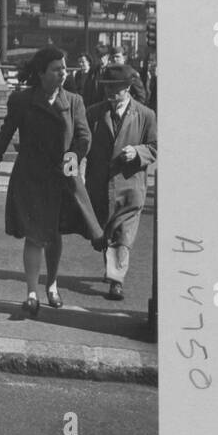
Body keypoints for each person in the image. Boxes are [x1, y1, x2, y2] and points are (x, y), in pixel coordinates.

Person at [0, 46, 101, 317]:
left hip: (60, 177)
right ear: (41, 73)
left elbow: (84, 138)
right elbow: (4, 136)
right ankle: (32, 293)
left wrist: (70, 164)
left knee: (54, 235)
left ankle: (53, 285)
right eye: (57, 69)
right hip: (31, 178)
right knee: (35, 235)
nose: (63, 73)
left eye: (64, 68)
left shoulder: (75, 101)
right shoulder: (21, 101)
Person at [85, 64, 159, 301]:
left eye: (115, 89)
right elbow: (81, 143)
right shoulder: (94, 113)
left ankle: (116, 280)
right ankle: (112, 267)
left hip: (130, 185)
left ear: (127, 88)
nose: (110, 93)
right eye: (107, 88)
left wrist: (138, 152)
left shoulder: (146, 115)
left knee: (124, 234)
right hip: (100, 184)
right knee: (106, 231)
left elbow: (156, 147)